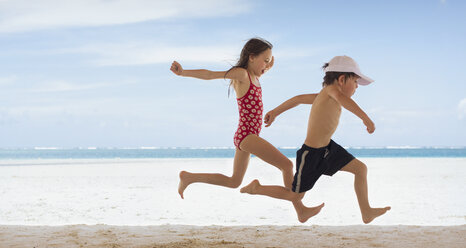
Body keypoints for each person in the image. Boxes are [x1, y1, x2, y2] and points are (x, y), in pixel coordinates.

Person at [170, 38, 323, 222]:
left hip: (245, 136)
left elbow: (263, 68)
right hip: (247, 136)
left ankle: (189, 177)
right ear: (251, 57)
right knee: (287, 166)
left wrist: (268, 64)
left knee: (234, 181)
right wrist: (183, 72)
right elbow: (210, 74)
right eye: (264, 60)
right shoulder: (242, 75)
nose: (266, 65)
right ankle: (299, 210)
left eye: (269, 62)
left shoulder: (255, 77)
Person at [241, 55, 391, 224]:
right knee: (295, 195)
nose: (357, 87)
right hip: (311, 154)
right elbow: (345, 100)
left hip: (328, 149)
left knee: (360, 169)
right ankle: (257, 188)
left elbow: (297, 100)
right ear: (342, 79)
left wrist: (276, 111)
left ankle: (366, 211)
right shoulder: (332, 92)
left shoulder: (324, 96)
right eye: (355, 82)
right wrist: (366, 119)